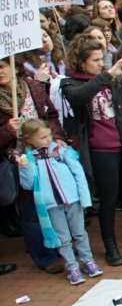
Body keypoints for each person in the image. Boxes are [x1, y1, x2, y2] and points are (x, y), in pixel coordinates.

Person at [61, 35, 122, 266]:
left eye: (101, 58)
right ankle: (110, 244)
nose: (100, 63)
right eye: (95, 60)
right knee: (110, 198)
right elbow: (79, 97)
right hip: (101, 149)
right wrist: (107, 75)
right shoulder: (70, 83)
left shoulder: (110, 78)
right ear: (81, 62)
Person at [0, 58, 69, 275]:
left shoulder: (33, 87)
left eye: (1, 66)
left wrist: (56, 136)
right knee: (30, 211)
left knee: (51, 204)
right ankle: (43, 255)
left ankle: (60, 247)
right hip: (18, 160)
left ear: (12, 66)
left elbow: (50, 115)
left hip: (44, 155)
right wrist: (7, 131)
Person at [17, 119, 100, 285]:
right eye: (42, 138)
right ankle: (72, 266)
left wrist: (84, 198)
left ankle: (88, 260)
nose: (48, 140)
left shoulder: (61, 151)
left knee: (80, 233)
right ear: (29, 140)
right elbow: (28, 184)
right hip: (51, 205)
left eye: (49, 135)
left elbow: (78, 173)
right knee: (63, 238)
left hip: (73, 200)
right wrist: (24, 167)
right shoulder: (29, 159)